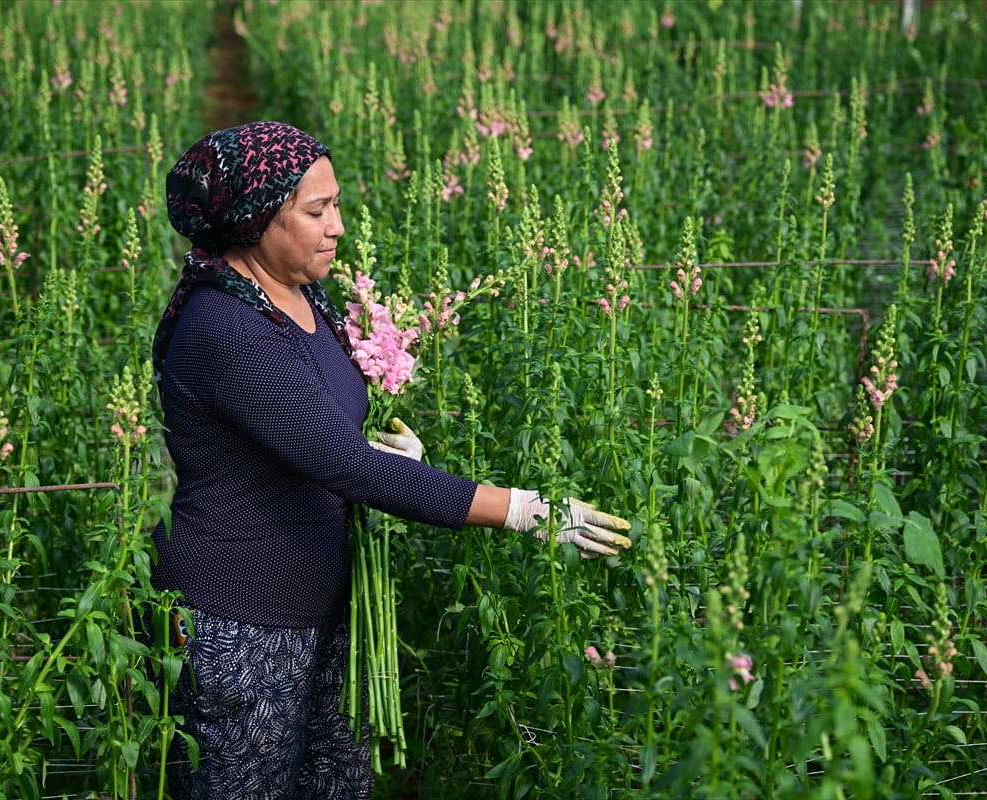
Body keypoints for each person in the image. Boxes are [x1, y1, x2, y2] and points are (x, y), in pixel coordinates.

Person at [150, 120, 632, 799]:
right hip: (241, 623)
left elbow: (323, 430)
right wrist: (523, 509)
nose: (337, 226)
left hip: (323, 605)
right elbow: (352, 468)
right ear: (258, 219)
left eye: (336, 204)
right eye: (317, 211)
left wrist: (389, 446)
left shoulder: (299, 293)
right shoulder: (226, 326)